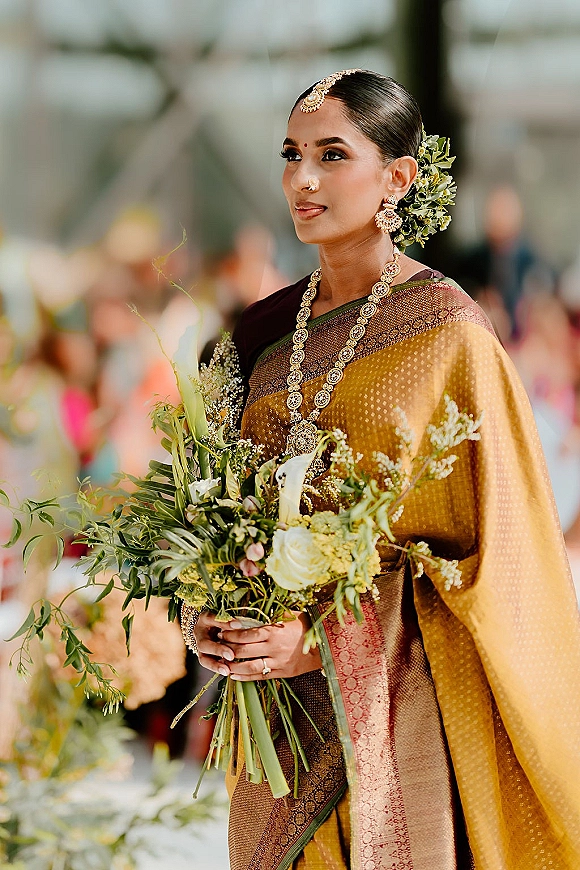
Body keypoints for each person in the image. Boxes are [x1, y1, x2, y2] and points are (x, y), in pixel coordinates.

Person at [187, 70, 580, 870]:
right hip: (277, 736)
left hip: (400, 733)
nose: (302, 177)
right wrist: (211, 610)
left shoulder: (452, 340)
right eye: (292, 153)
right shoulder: (252, 342)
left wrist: (325, 639)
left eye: (333, 154)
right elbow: (210, 510)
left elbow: (505, 566)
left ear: (398, 176)